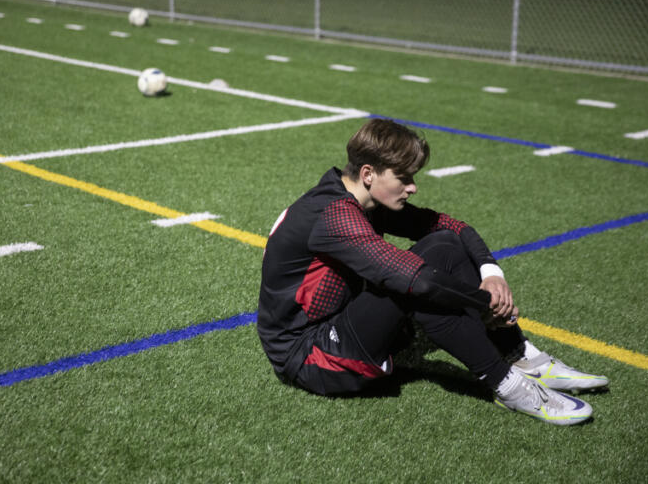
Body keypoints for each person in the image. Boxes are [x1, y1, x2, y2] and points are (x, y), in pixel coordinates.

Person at [257, 118, 608, 425]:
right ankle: (508, 385)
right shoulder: (333, 213)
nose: (412, 187)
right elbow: (418, 280)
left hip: (339, 322)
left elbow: (452, 227)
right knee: (423, 282)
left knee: (442, 244)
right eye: (404, 177)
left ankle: (521, 356)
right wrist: (485, 304)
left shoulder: (362, 200)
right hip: (309, 355)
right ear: (368, 174)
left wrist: (492, 273)